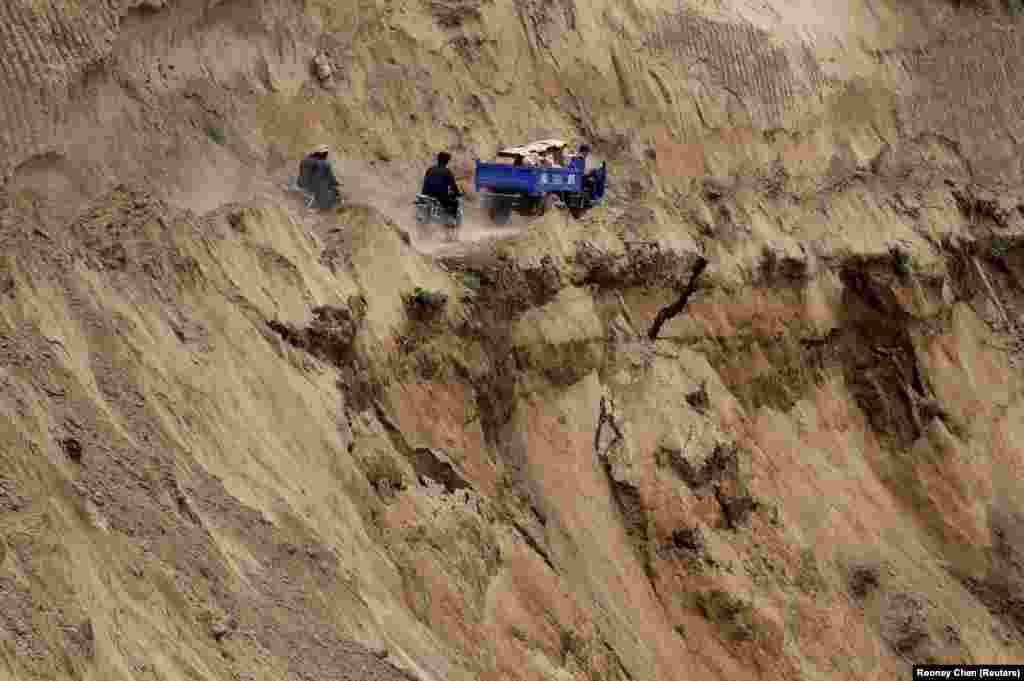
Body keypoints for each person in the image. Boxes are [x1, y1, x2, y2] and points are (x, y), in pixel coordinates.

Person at [298, 144, 340, 209]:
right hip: (313, 188)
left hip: (300, 183)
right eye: (326, 153)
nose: (327, 155)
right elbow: (331, 179)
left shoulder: (306, 159)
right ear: (324, 154)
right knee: (335, 191)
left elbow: (301, 171)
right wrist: (336, 183)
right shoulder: (324, 164)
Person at [421, 151, 462, 216]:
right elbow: (453, 185)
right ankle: (451, 222)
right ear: (447, 161)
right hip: (440, 196)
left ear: (438, 159)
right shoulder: (447, 172)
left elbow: (425, 180)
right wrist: (457, 193)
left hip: (426, 193)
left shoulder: (430, 169)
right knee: (454, 204)